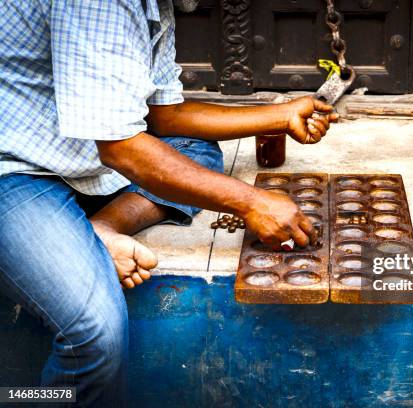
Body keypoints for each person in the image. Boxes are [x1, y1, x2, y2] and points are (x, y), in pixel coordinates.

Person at [0, 1, 337, 405]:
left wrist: (280, 115)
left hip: (84, 155)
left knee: (196, 152)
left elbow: (166, 116)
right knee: (92, 337)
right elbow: (123, 149)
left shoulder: (156, 6)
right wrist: (251, 203)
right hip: (18, 169)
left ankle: (100, 230)